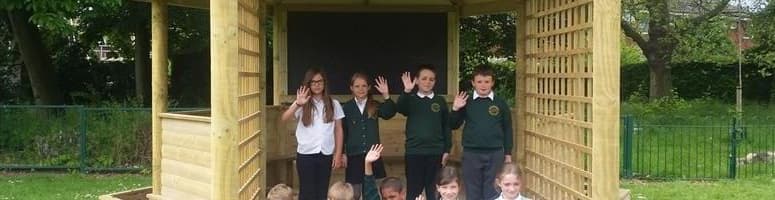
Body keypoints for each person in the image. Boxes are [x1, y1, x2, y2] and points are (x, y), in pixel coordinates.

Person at [450, 64, 514, 199]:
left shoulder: (500, 103)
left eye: (487, 81)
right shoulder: (465, 101)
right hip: (471, 153)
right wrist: (455, 108)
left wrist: (508, 154)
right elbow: (453, 125)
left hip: (495, 153)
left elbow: (508, 129)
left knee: (493, 190)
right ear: (473, 83)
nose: (483, 85)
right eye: (479, 81)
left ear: (492, 83)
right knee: (472, 191)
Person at [281, 67, 345, 200]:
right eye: (313, 82)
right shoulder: (302, 103)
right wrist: (297, 104)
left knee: (322, 191)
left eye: (320, 82)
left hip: (325, 153)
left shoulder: (334, 104)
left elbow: (338, 129)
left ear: (324, 83)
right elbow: (284, 118)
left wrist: (338, 153)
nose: (317, 85)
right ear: (308, 84)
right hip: (306, 154)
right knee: (306, 192)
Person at [396, 65, 451, 200]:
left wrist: (447, 150)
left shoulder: (440, 101)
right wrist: (407, 91)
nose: (427, 82)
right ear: (417, 80)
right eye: (424, 78)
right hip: (414, 152)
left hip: (435, 152)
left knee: (435, 192)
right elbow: (401, 108)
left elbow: (446, 127)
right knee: (414, 192)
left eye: (431, 79)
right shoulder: (411, 99)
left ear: (435, 82)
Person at [342, 73, 396, 199]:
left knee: (373, 190)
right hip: (353, 156)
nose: (361, 89)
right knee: (354, 192)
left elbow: (389, 113)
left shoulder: (375, 105)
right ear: (351, 88)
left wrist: (386, 95)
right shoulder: (346, 107)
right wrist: (343, 153)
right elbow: (343, 132)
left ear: (369, 87)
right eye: (357, 86)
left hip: (373, 155)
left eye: (364, 86)